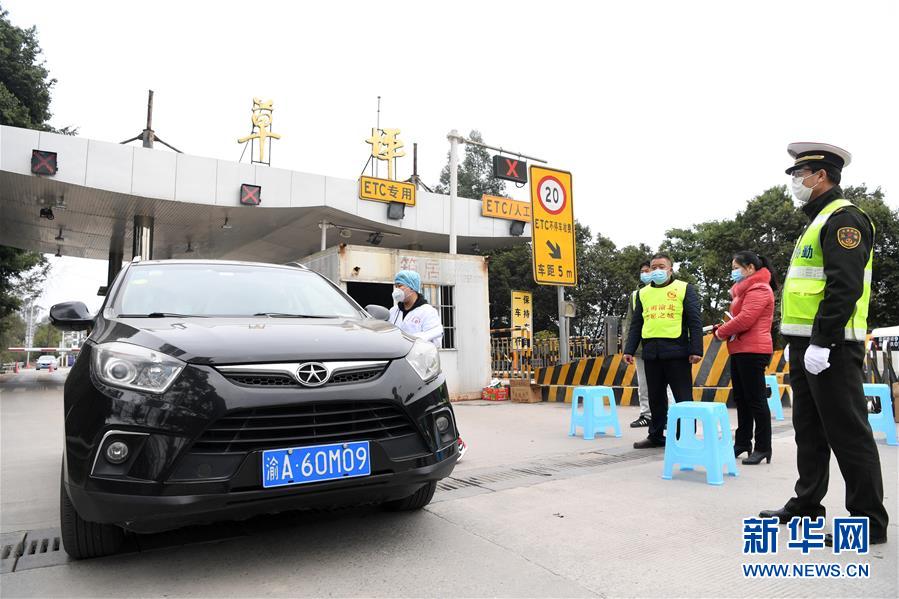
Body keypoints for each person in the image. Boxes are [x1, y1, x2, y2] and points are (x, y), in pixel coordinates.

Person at [759, 142, 888, 546]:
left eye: (800, 175)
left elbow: (844, 287)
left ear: (821, 175)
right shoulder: (816, 221)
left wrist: (822, 342)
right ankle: (806, 504)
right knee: (809, 431)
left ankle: (868, 521)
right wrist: (799, 342)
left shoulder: (845, 218)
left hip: (832, 347)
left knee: (848, 433)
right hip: (806, 345)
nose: (796, 181)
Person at [623, 254, 703, 448]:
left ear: (670, 269)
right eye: (653, 267)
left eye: (661, 266)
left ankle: (686, 437)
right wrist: (629, 350)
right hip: (652, 353)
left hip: (678, 352)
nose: (656, 270)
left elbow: (694, 321)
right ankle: (656, 435)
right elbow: (636, 324)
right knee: (656, 398)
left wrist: (696, 349)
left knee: (683, 398)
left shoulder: (684, 288)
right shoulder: (643, 293)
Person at [714, 251, 776, 465]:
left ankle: (763, 447)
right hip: (740, 349)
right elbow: (739, 318)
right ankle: (742, 443)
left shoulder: (759, 289)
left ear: (750, 268)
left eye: (736, 268)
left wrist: (721, 332)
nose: (733, 272)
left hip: (754, 350)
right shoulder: (744, 290)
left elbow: (746, 319)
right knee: (741, 398)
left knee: (756, 399)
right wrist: (723, 326)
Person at [622, 261, 654, 427]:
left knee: (666, 384)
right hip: (641, 347)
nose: (645, 274)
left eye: (648, 270)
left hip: (663, 347)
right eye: (643, 271)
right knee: (644, 384)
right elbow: (630, 323)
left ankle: (668, 416)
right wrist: (628, 348)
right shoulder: (636, 295)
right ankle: (646, 415)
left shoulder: (667, 291)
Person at [389, 270, 443, 347]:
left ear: (412, 287)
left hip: (418, 354)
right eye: (396, 286)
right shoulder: (394, 311)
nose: (397, 289)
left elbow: (435, 342)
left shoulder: (428, 311)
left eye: (400, 286)